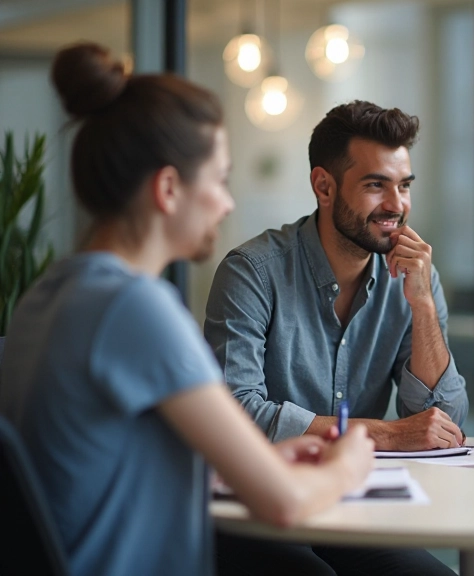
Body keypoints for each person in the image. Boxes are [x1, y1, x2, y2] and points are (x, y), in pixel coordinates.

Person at [0, 42, 375, 576]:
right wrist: (348, 467)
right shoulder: (135, 308)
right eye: (219, 180)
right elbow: (285, 503)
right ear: (169, 188)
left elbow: (104, 469)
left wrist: (258, 463)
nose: (228, 203)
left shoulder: (49, 294)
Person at [204, 100, 464, 575]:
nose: (397, 205)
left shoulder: (414, 279)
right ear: (324, 186)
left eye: (404, 185)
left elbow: (442, 423)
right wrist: (386, 434)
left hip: (352, 507)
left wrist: (423, 306)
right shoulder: (252, 273)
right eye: (375, 185)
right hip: (255, 511)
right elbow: (236, 413)